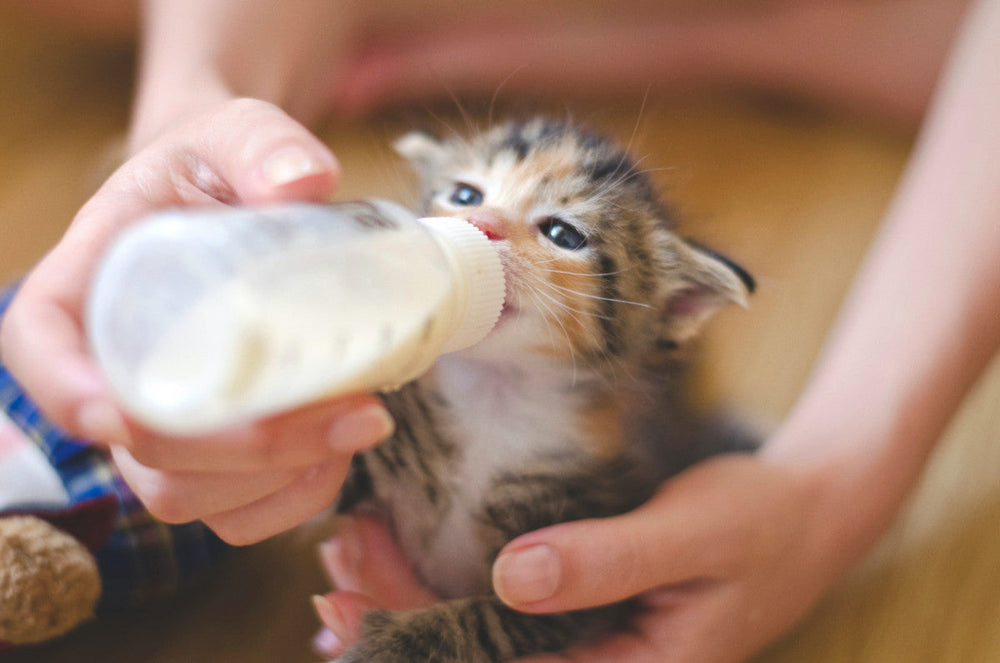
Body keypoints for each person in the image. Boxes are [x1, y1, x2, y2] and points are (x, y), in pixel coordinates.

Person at [1, 1, 998, 661]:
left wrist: (831, 480)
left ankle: (739, 27)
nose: (481, 228)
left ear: (661, 314)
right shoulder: (398, 373)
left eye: (558, 232)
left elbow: (568, 606)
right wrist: (186, 113)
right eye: (468, 194)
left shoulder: (596, 463)